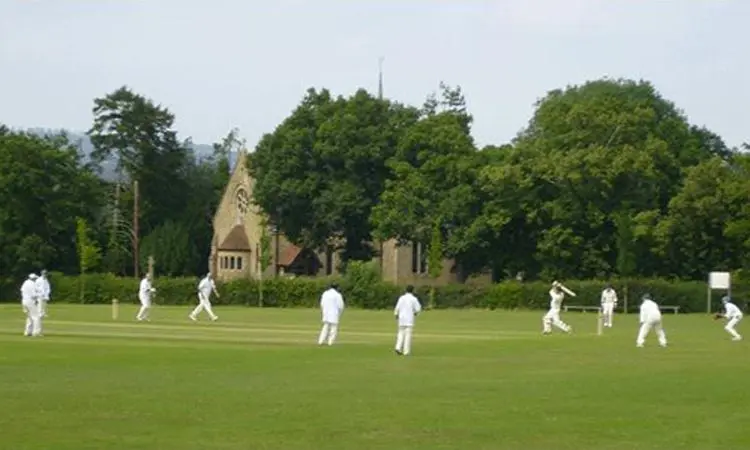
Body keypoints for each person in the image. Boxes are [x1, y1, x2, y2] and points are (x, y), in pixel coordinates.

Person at [394, 285, 422, 356]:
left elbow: (397, 307)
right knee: (408, 335)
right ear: (412, 291)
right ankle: (406, 352)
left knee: (400, 333)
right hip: (409, 319)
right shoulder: (413, 299)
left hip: (401, 319)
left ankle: (398, 347)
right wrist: (415, 313)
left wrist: (396, 314)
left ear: (406, 290)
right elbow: (418, 308)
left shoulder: (401, 298)